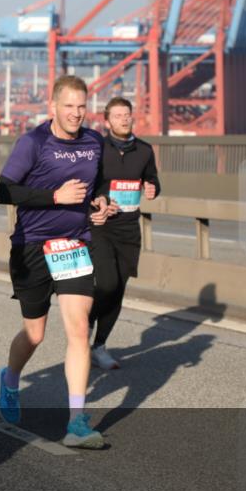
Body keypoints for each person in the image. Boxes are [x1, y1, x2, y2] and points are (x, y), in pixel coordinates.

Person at [0, 75, 112, 449]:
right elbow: (3, 190)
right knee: (35, 333)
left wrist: (101, 204)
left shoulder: (95, 142)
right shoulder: (34, 142)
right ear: (54, 107)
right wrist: (54, 197)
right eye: (69, 106)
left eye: (82, 106)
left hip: (74, 245)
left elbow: (100, 184)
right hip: (31, 247)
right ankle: (10, 378)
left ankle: (76, 420)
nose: (76, 113)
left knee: (79, 329)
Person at [88, 97, 160, 370]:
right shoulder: (98, 149)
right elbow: (89, 184)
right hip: (101, 225)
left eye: (127, 114)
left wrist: (153, 187)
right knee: (105, 283)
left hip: (130, 227)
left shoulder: (144, 150)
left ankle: (99, 346)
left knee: (118, 289)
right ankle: (85, 325)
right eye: (118, 116)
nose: (124, 119)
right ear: (107, 121)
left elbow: (152, 179)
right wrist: (98, 199)